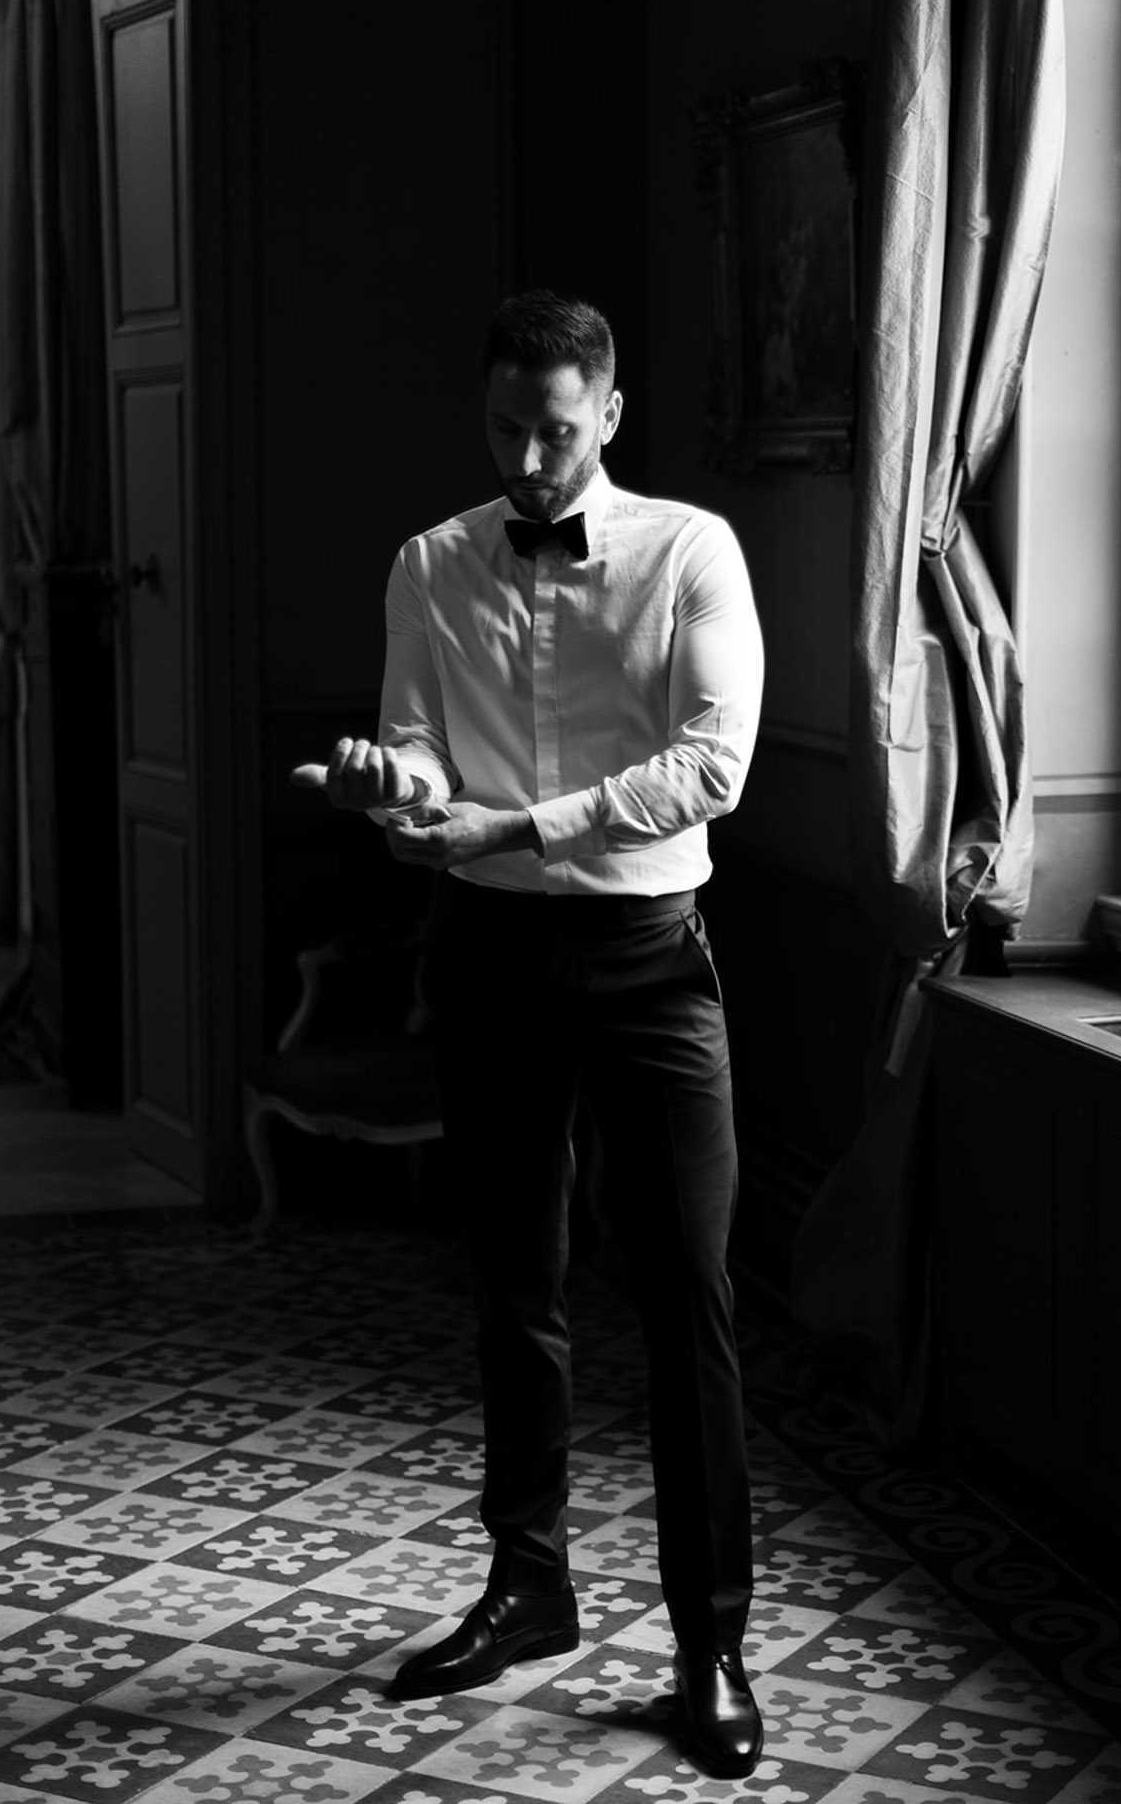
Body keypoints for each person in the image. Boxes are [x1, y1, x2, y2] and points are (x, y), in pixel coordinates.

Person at [291, 290, 765, 1777]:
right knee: (515, 1291)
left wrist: (526, 824)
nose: (531, 461)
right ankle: (529, 1588)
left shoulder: (691, 550)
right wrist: (394, 780)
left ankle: (712, 1645)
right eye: (505, 429)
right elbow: (424, 749)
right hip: (487, 952)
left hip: (647, 957)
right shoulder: (429, 564)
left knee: (688, 1298)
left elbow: (715, 764)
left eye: (556, 431)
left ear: (609, 414)